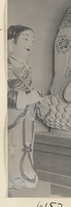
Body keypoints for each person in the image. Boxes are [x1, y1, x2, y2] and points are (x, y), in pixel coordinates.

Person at [7, 25, 42, 189]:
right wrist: (25, 98)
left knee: (27, 143)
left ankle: (27, 171)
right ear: (10, 43)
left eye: (32, 40)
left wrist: (34, 98)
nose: (30, 44)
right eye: (25, 39)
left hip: (27, 113)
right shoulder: (5, 65)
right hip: (12, 113)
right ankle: (12, 175)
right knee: (13, 144)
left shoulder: (26, 66)